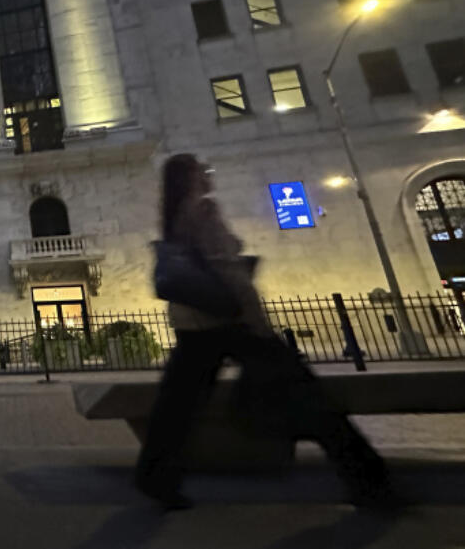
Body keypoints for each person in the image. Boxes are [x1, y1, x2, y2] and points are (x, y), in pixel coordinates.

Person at [135, 154, 396, 510]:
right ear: (191, 179)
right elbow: (227, 269)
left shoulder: (174, 218)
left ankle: (155, 477)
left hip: (193, 326)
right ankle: (369, 480)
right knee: (309, 397)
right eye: (202, 171)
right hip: (232, 322)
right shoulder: (203, 212)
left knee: (177, 407)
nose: (209, 175)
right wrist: (256, 319)